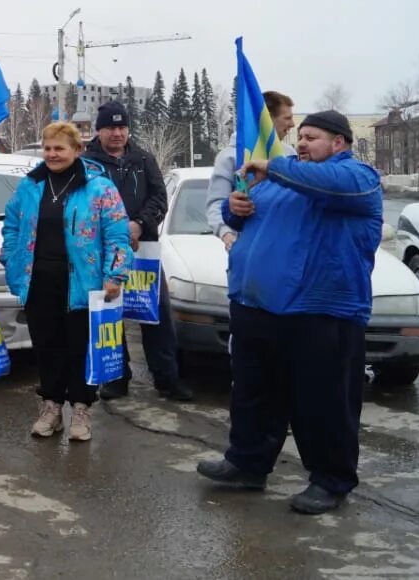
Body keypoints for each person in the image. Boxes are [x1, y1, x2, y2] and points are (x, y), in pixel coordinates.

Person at [197, 110, 382, 515]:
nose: (300, 143)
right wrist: (234, 206)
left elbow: (328, 184)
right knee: (254, 395)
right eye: (299, 136)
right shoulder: (282, 179)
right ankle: (247, 463)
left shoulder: (357, 178)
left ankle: (331, 480)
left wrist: (274, 166)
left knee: (324, 402)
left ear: (339, 143)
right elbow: (241, 217)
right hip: (256, 308)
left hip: (320, 311)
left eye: (312, 137)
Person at [2, 121, 130, 442]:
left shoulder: (99, 188)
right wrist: (10, 257)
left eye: (59, 148)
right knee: (47, 348)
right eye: (47, 148)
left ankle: (81, 410)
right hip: (38, 282)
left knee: (80, 349)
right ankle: (51, 408)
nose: (52, 154)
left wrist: (114, 275)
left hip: (84, 286)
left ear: (77, 150)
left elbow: (117, 234)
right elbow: (12, 224)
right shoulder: (31, 185)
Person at [84, 102, 190, 402]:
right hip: (103, 253)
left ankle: (167, 378)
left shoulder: (143, 159)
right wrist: (115, 231)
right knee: (111, 314)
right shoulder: (88, 164)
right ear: (99, 130)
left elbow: (159, 197)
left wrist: (139, 224)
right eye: (110, 128)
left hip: (143, 250)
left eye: (122, 127)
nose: (117, 133)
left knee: (155, 316)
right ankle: (117, 377)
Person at [205, 90, 295, 252]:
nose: (292, 124)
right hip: (247, 250)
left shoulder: (290, 155)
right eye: (287, 118)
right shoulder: (230, 157)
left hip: (286, 249)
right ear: (267, 120)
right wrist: (226, 234)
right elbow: (216, 202)